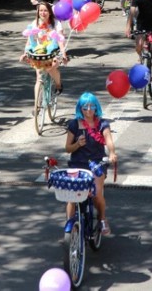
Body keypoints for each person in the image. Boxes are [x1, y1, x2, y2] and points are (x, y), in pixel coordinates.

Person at [65, 92, 117, 235]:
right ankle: (70, 225)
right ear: (79, 109)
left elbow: (109, 140)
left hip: (97, 164)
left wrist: (112, 153)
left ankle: (102, 219)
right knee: (72, 195)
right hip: (78, 163)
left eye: (91, 106)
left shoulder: (102, 124)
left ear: (96, 107)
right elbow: (67, 148)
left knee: (96, 193)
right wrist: (77, 145)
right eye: (85, 107)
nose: (88, 110)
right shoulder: (74, 125)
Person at [19, 1, 68, 97]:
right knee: (39, 78)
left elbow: (60, 41)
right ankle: (36, 108)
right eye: (40, 10)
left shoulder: (56, 23)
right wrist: (25, 53)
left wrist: (64, 54)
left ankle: (58, 85)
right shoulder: (34, 23)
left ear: (50, 12)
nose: (43, 13)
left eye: (45, 10)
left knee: (50, 68)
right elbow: (30, 41)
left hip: (54, 53)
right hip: (40, 54)